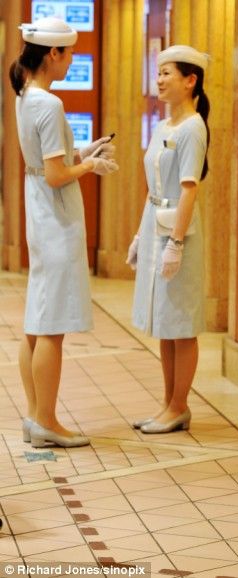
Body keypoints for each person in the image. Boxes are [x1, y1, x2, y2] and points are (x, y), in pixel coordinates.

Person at [10, 17, 119, 448]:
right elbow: (58, 175)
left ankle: (36, 416)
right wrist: (90, 165)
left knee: (36, 323)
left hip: (39, 210)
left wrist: (83, 150)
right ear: (52, 54)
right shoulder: (49, 104)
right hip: (55, 216)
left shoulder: (26, 96)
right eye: (68, 53)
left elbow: (48, 161)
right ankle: (48, 422)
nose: (71, 61)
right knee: (50, 325)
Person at [127, 45, 210, 434]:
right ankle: (166, 404)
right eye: (157, 72)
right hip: (155, 221)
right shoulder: (162, 126)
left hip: (179, 230)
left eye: (167, 73)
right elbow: (153, 185)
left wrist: (176, 243)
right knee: (163, 321)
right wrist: (140, 236)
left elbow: (188, 188)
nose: (159, 79)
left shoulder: (194, 126)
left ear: (190, 80)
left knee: (180, 322)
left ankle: (180, 405)